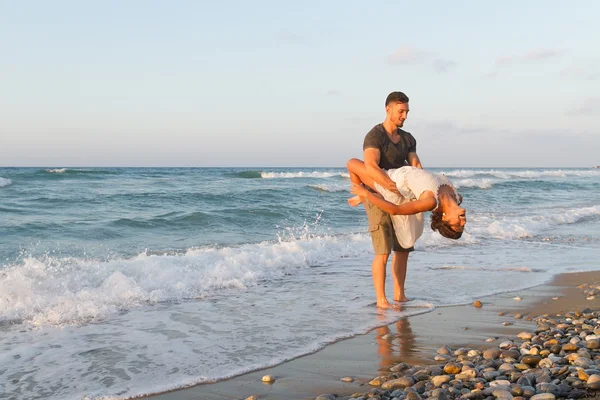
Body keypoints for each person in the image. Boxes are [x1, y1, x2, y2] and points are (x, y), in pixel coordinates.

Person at [351, 91, 422, 309]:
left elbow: (416, 166)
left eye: (407, 112)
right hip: (377, 195)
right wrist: (388, 185)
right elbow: (370, 166)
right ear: (388, 109)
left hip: (401, 198)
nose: (404, 116)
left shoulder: (408, 138)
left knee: (403, 249)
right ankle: (381, 300)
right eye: (401, 111)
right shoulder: (375, 135)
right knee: (383, 251)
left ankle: (399, 295)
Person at [347, 160, 466, 242]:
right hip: (406, 170)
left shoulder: (431, 202)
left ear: (445, 218)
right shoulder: (457, 197)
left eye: (457, 225)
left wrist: (365, 194)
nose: (463, 222)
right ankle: (370, 193)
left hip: (390, 181)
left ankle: (363, 197)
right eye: (463, 225)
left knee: (352, 164)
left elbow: (395, 210)